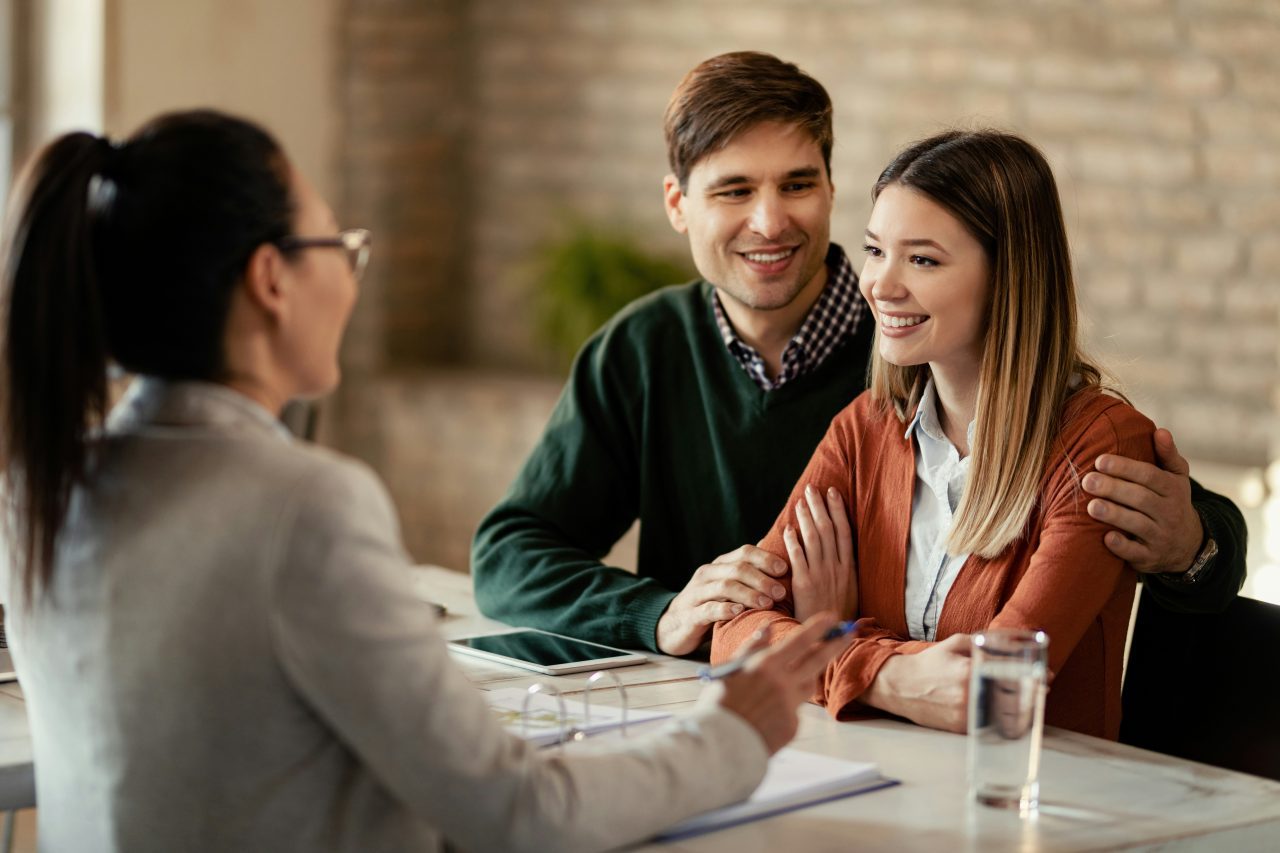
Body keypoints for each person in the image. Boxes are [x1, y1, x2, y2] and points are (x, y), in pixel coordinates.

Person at [0, 109, 854, 852]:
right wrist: (731, 734)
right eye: (337, 241)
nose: (348, 271)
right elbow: (522, 814)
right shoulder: (306, 505)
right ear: (271, 280)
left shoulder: (40, 485)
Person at [472, 51, 1246, 657]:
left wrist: (1195, 546)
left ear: (832, 188)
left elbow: (1152, 513)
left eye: (797, 183)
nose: (770, 221)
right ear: (679, 205)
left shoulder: (928, 357)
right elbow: (509, 551)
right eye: (733, 190)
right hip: (739, 706)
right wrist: (662, 612)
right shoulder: (647, 349)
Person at [712, 129, 1155, 740]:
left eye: (922, 259)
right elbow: (735, 634)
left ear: (1010, 276)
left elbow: (995, 689)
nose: (881, 284)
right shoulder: (865, 427)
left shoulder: (1099, 446)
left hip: (1031, 812)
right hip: (880, 791)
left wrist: (833, 637)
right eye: (874, 250)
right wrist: (883, 670)